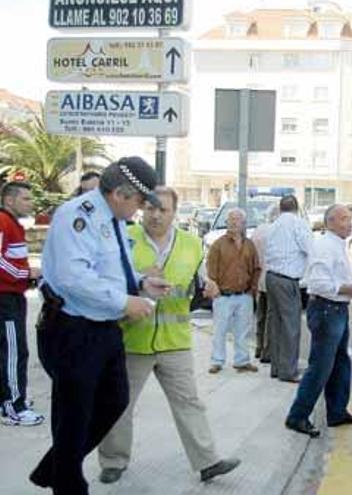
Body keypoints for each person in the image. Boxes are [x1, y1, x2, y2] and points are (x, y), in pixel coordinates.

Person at [30, 157, 172, 494]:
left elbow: (109, 270)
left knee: (113, 401)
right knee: (74, 416)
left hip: (104, 328)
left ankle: (55, 467)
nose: (141, 211)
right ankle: (67, 483)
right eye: (139, 202)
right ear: (121, 194)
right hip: (72, 328)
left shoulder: (115, 219)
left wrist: (139, 283)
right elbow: (73, 278)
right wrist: (126, 302)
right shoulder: (79, 216)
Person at [97, 187, 240, 485]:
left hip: (175, 341)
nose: (156, 215)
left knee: (189, 403)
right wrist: (136, 282)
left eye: (162, 209)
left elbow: (200, 283)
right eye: (150, 208)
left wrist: (209, 286)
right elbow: (103, 285)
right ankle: (113, 460)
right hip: (132, 339)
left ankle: (207, 461)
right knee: (118, 404)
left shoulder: (191, 244)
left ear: (175, 212)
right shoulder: (125, 239)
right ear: (141, 209)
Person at [285, 204, 352, 438]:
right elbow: (319, 283)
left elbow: (331, 276)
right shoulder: (324, 245)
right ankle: (298, 416)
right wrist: (347, 288)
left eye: (350, 218)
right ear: (329, 222)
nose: (349, 223)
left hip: (337, 309)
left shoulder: (336, 244)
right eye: (343, 219)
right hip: (327, 310)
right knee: (320, 366)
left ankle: (337, 411)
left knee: (341, 362)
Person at [0, 182, 44, 426]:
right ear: (9, 200)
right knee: (13, 352)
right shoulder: (3, 222)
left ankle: (10, 400)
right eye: (25, 198)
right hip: (5, 298)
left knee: (12, 351)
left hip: (13, 296)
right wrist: (25, 273)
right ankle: (13, 406)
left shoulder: (12, 224)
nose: (31, 202)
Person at [263, 195, 312, 382]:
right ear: (297, 208)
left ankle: (276, 367)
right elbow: (310, 248)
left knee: (275, 325)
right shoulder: (298, 224)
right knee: (291, 326)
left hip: (271, 277)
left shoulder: (273, 225)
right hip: (287, 279)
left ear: (280, 208)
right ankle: (288, 371)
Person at [207, 208, 260, 374]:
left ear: (243, 223)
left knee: (242, 330)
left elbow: (256, 268)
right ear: (226, 222)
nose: (234, 222)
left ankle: (242, 361)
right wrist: (213, 286)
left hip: (244, 294)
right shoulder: (218, 244)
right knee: (220, 330)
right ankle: (217, 361)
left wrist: (253, 289)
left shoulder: (249, 245)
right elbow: (211, 269)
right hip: (224, 295)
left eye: (237, 219)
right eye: (231, 219)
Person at [251, 204, 280, 363]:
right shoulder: (276, 231)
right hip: (272, 278)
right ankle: (267, 352)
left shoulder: (258, 230)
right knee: (271, 317)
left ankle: (258, 347)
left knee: (260, 316)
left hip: (258, 278)